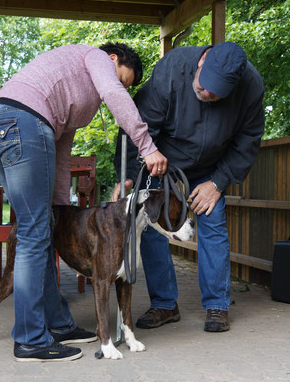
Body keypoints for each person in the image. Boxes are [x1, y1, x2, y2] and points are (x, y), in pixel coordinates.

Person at [0, 42, 167, 362]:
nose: (120, 87)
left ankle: (58, 325)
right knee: (35, 234)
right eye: (122, 78)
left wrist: (60, 206)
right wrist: (146, 147)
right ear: (112, 59)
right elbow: (113, 94)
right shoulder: (95, 57)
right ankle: (30, 339)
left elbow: (61, 147)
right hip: (23, 123)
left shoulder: (74, 91)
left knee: (43, 226)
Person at [112, 42, 265, 332]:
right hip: (161, 159)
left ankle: (217, 306)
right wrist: (132, 176)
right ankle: (165, 304)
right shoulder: (172, 68)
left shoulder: (252, 86)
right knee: (153, 223)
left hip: (211, 167)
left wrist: (219, 182)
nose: (207, 94)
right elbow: (141, 125)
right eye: (204, 86)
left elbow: (248, 139)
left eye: (216, 93)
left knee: (213, 222)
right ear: (202, 60)